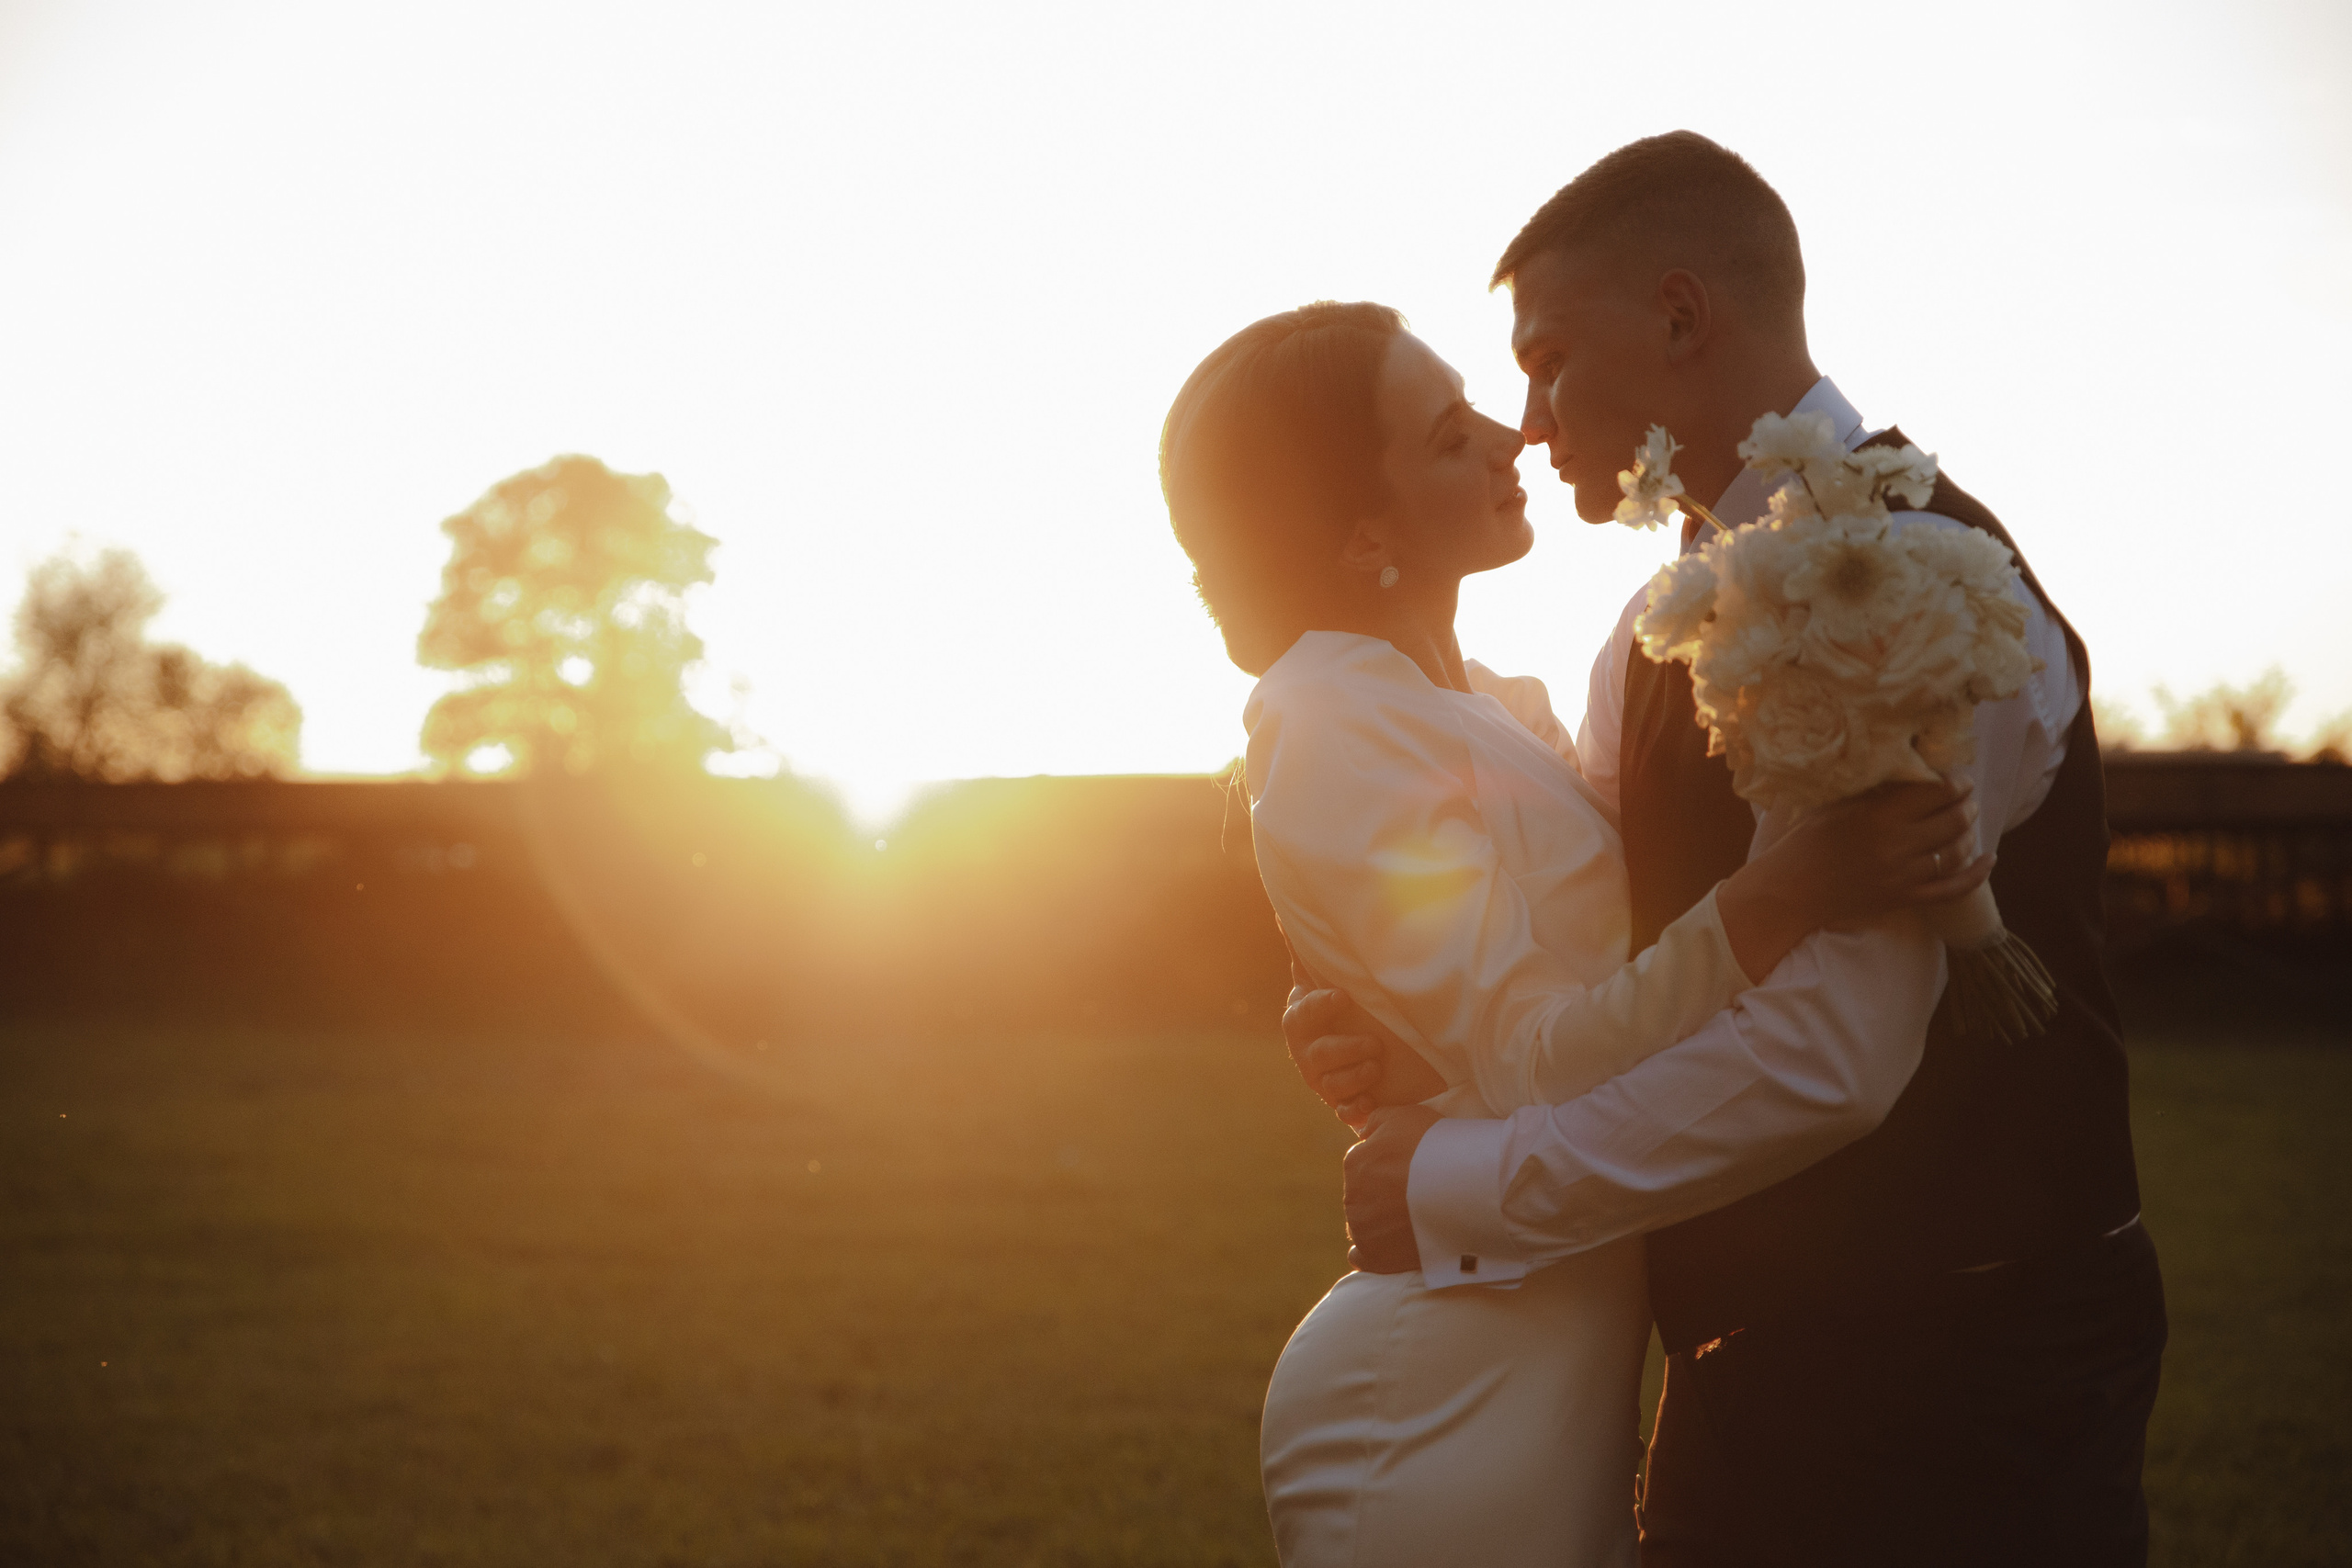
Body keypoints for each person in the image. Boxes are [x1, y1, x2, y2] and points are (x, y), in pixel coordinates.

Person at [1287, 132, 2166, 1566]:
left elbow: (1830, 1059)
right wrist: (1399, 1024)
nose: (1529, 418)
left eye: (1551, 356)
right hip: (1759, 1366)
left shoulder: (1898, 581)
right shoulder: (1648, 640)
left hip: (1961, 1378)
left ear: (1684, 318)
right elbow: (1614, 949)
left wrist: (1460, 1180)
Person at [1159, 298, 1988, 1566]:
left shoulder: (1485, 704)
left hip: (1557, 1334)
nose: (1511, 438)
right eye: (1448, 438)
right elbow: (1539, 1055)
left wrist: (1369, 1015)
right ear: (1364, 530)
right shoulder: (1329, 719)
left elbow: (1555, 967)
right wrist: (1793, 891)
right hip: (1446, 1379)